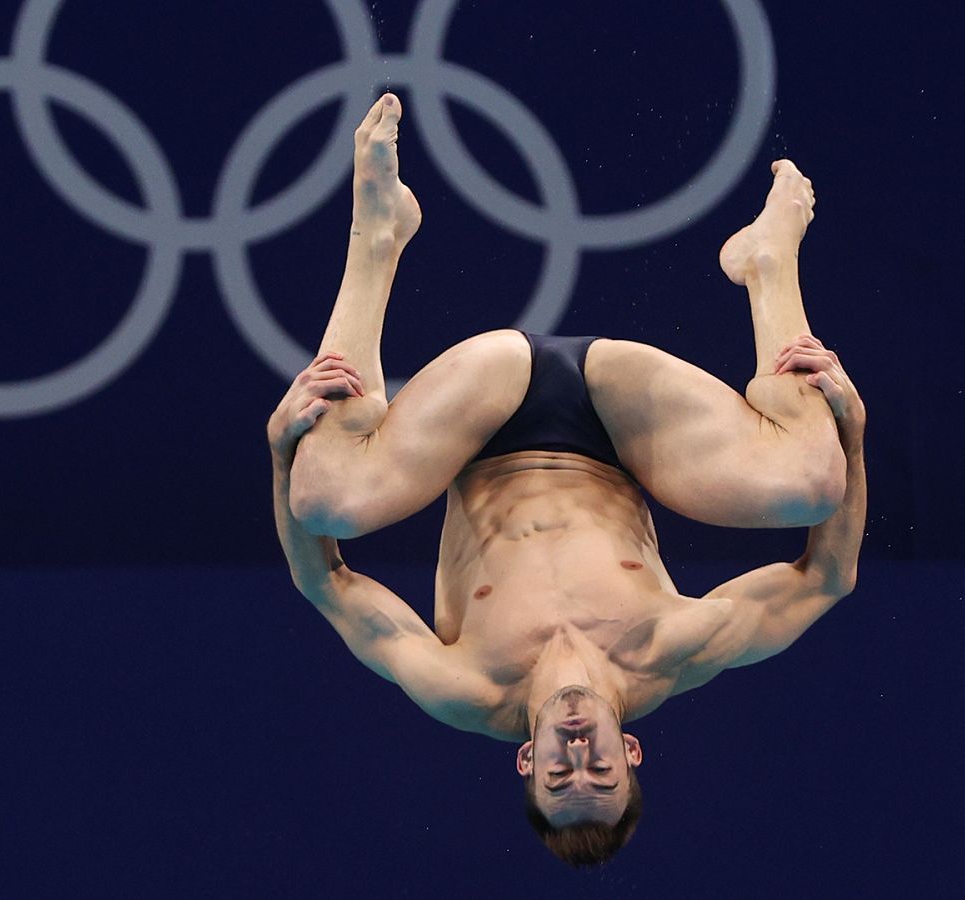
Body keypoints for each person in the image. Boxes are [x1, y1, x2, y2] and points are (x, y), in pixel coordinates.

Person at [267, 93, 868, 867]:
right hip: (619, 426)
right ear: (634, 753)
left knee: (324, 497)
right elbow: (827, 578)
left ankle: (377, 237)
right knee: (815, 481)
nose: (578, 753)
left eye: (559, 774)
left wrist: (280, 448)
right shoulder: (673, 653)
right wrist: (853, 430)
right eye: (600, 769)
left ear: (526, 763)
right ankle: (768, 263)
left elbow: (327, 585)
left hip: (478, 420)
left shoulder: (467, 687)